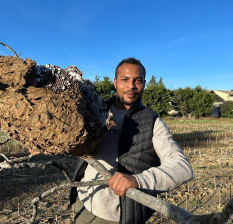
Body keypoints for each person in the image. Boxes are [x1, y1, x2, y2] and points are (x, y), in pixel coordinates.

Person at [69, 57, 193, 224]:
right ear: (115, 82)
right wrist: (46, 143)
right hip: (83, 205)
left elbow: (182, 167)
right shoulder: (96, 111)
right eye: (125, 80)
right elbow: (74, 141)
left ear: (144, 84)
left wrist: (137, 180)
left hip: (119, 217)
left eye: (138, 81)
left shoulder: (152, 122)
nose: (131, 86)